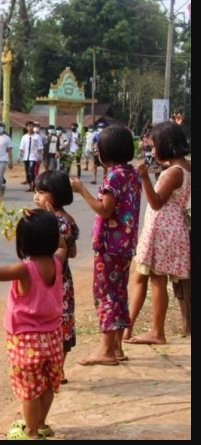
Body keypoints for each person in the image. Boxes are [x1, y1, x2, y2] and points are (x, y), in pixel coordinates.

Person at [0, 208, 67, 440]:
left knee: (29, 391)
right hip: (53, 336)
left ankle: (30, 432)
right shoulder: (57, 261)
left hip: (26, 339)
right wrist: (51, 220)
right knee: (47, 386)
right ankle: (40, 424)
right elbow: (63, 246)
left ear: (23, 242)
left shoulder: (25, 270)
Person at [70, 125, 141, 365]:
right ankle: (117, 346)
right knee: (119, 293)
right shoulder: (131, 173)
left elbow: (105, 209)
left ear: (104, 152)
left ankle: (106, 350)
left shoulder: (113, 176)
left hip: (109, 246)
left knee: (106, 295)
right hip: (125, 244)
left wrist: (81, 190)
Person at [123, 120, 191, 345]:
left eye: (154, 146)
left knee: (157, 279)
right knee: (144, 275)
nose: (153, 151)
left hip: (163, 229)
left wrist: (144, 176)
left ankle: (156, 331)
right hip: (168, 228)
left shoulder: (174, 172)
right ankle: (128, 328)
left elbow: (155, 202)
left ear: (165, 144)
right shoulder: (184, 167)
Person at [34, 170, 78, 384]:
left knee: (56, 323)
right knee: (62, 323)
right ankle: (57, 369)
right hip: (63, 278)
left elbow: (62, 250)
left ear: (57, 195)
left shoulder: (58, 222)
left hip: (56, 280)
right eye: (36, 191)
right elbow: (73, 252)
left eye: (42, 192)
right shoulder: (67, 220)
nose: (37, 197)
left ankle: (55, 369)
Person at [18, 121, 42, 193]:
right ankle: (30, 186)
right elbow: (22, 148)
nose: (31, 127)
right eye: (29, 126)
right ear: (26, 127)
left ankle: (34, 186)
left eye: (32, 126)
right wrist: (19, 157)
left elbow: (40, 148)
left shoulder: (37, 137)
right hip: (26, 157)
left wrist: (39, 157)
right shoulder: (24, 137)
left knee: (31, 171)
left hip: (33, 157)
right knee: (27, 172)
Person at [0, 121, 12, 198]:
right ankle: (2, 187)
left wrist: (10, 161)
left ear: (3, 128)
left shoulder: (7, 138)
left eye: (1, 126)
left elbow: (9, 150)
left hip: (3, 160)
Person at [90, 120, 108, 184]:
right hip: (97, 152)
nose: (101, 128)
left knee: (105, 166)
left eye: (102, 127)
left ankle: (104, 179)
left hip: (104, 153)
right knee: (95, 165)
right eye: (100, 127)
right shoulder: (96, 135)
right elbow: (93, 142)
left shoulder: (107, 135)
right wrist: (92, 149)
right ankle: (94, 179)